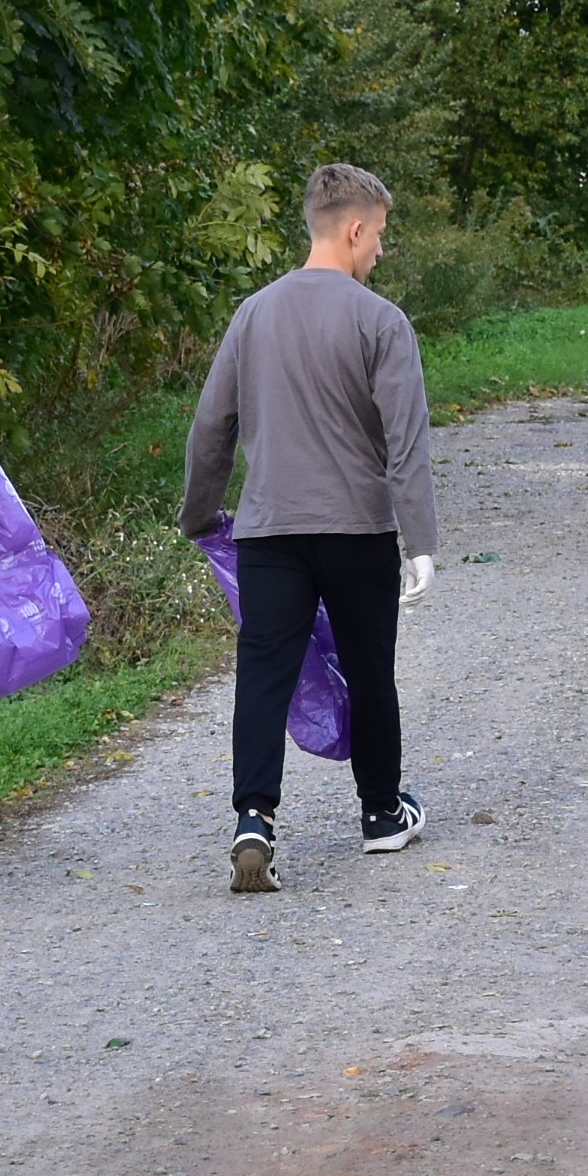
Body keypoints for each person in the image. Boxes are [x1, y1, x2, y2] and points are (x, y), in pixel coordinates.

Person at [179, 162, 442, 890]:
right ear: (355, 229)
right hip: (357, 531)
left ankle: (254, 819)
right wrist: (420, 542)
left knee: (264, 674)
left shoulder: (253, 314)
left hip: (269, 534)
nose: (381, 251)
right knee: (369, 671)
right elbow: (405, 442)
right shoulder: (381, 321)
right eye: (381, 235)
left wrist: (201, 515)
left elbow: (211, 427)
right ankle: (382, 815)